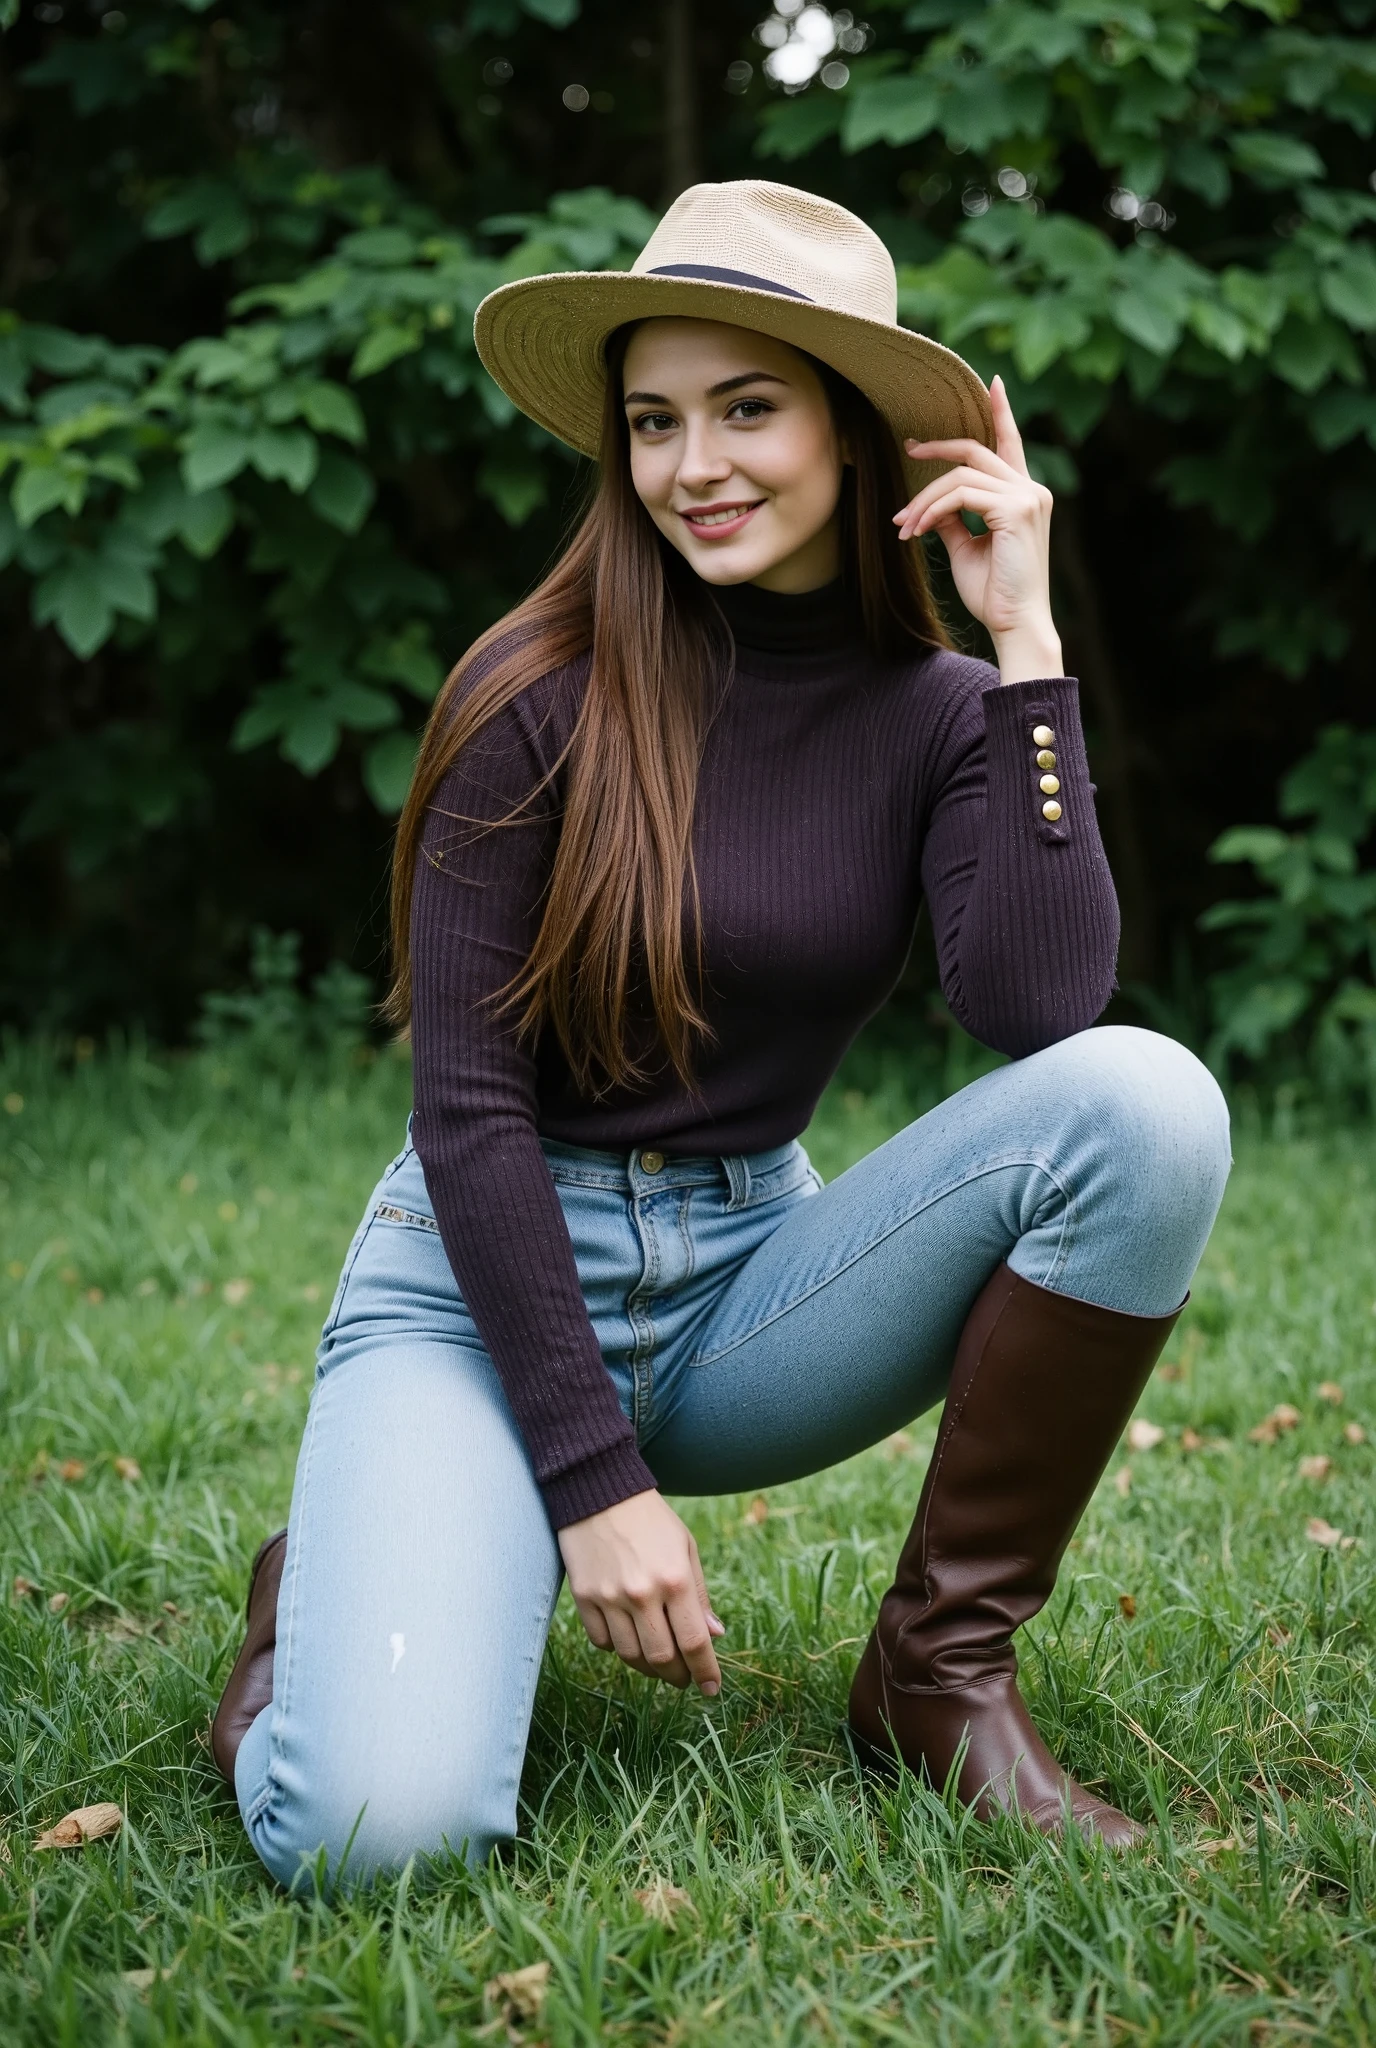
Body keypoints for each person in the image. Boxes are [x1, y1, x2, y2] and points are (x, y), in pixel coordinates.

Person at [212, 180, 1231, 1889]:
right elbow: (466, 1113)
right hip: (478, 1285)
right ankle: (315, 1608)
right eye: (656, 422)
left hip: (752, 1284)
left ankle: (935, 1676)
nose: (697, 467)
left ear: (849, 432)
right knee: (376, 1839)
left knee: (1149, 1102)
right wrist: (596, 1486)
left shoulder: (944, 718)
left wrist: (1027, 652)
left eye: (748, 408)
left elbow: (1041, 1011)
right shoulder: (527, 694)